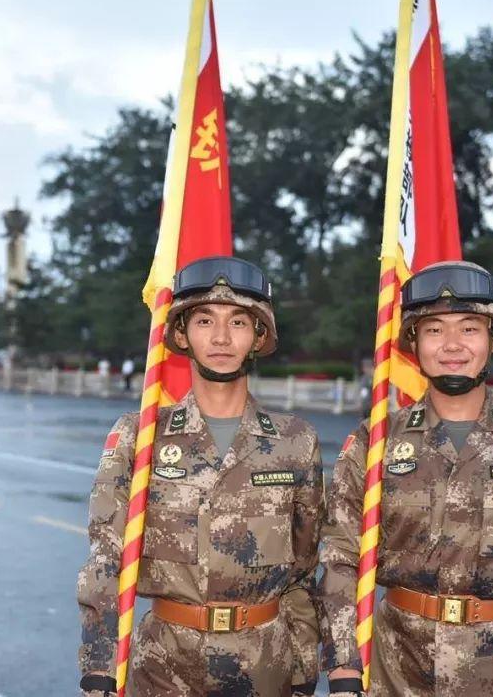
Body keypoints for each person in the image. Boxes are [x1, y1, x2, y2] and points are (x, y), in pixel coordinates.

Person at [318, 261, 493, 697]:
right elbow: (340, 561)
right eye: (433, 330)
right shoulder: (374, 444)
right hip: (395, 674)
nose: (451, 345)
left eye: (469, 328)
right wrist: (343, 670)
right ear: (414, 343)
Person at [77, 257, 324, 697]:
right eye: (205, 320)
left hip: (265, 664)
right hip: (164, 665)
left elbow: (303, 572)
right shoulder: (140, 435)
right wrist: (99, 667)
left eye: (239, 322)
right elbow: (105, 559)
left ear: (258, 336)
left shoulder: (295, 441)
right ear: (181, 334)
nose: (222, 337)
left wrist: (304, 671)